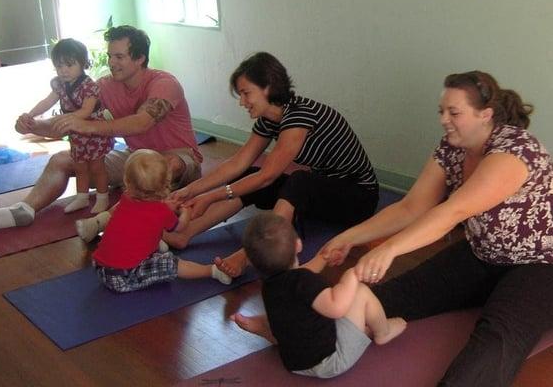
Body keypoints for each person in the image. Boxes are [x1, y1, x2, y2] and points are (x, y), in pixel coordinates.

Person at [236, 70, 553, 386]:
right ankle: (286, 326)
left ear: (485, 114)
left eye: (454, 112)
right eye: (441, 111)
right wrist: (350, 236)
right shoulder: (452, 147)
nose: (444, 119)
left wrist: (389, 248)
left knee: (497, 334)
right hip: (482, 254)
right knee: (390, 296)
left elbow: (453, 211)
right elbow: (411, 207)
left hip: (540, 265)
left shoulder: (515, 150)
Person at [162, 52, 379, 277]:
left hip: (358, 199)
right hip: (324, 194)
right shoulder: (270, 119)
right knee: (250, 174)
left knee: (296, 181)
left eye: (246, 93)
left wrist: (210, 197)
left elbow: (268, 176)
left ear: (268, 87)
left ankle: (247, 256)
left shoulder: (300, 116)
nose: (242, 102)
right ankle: (185, 234)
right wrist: (191, 190)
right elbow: (238, 162)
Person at [0, 25, 202, 231]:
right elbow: (69, 122)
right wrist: (33, 126)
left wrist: (90, 127)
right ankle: (23, 210)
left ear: (140, 58)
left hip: (179, 157)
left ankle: (105, 221)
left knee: (164, 165)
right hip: (134, 159)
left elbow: (142, 122)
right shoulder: (104, 86)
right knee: (62, 159)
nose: (112, 62)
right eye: (110, 56)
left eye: (119, 57)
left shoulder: (164, 83)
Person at [241, 212, 406, 378]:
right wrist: (352, 275)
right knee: (360, 292)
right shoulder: (303, 281)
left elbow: (304, 273)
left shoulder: (269, 285)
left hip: (294, 362)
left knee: (299, 312)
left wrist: (324, 257)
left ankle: (363, 332)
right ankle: (383, 332)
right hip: (329, 361)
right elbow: (336, 308)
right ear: (298, 245)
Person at [93, 149, 231, 292]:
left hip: (101, 268)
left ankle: (153, 250)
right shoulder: (162, 212)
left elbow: (146, 210)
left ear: (127, 181)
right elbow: (180, 227)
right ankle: (211, 271)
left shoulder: (126, 197)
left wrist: (166, 206)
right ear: (166, 184)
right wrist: (186, 212)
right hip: (123, 278)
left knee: (136, 228)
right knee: (171, 263)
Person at [20, 38, 114, 214]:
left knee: (96, 166)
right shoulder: (60, 85)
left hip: (94, 131)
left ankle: (103, 197)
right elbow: (48, 101)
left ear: (82, 63)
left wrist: (67, 118)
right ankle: (82, 197)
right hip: (76, 133)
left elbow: (87, 110)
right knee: (79, 165)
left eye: (69, 65)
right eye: (59, 66)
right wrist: (31, 114)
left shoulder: (89, 86)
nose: (64, 70)